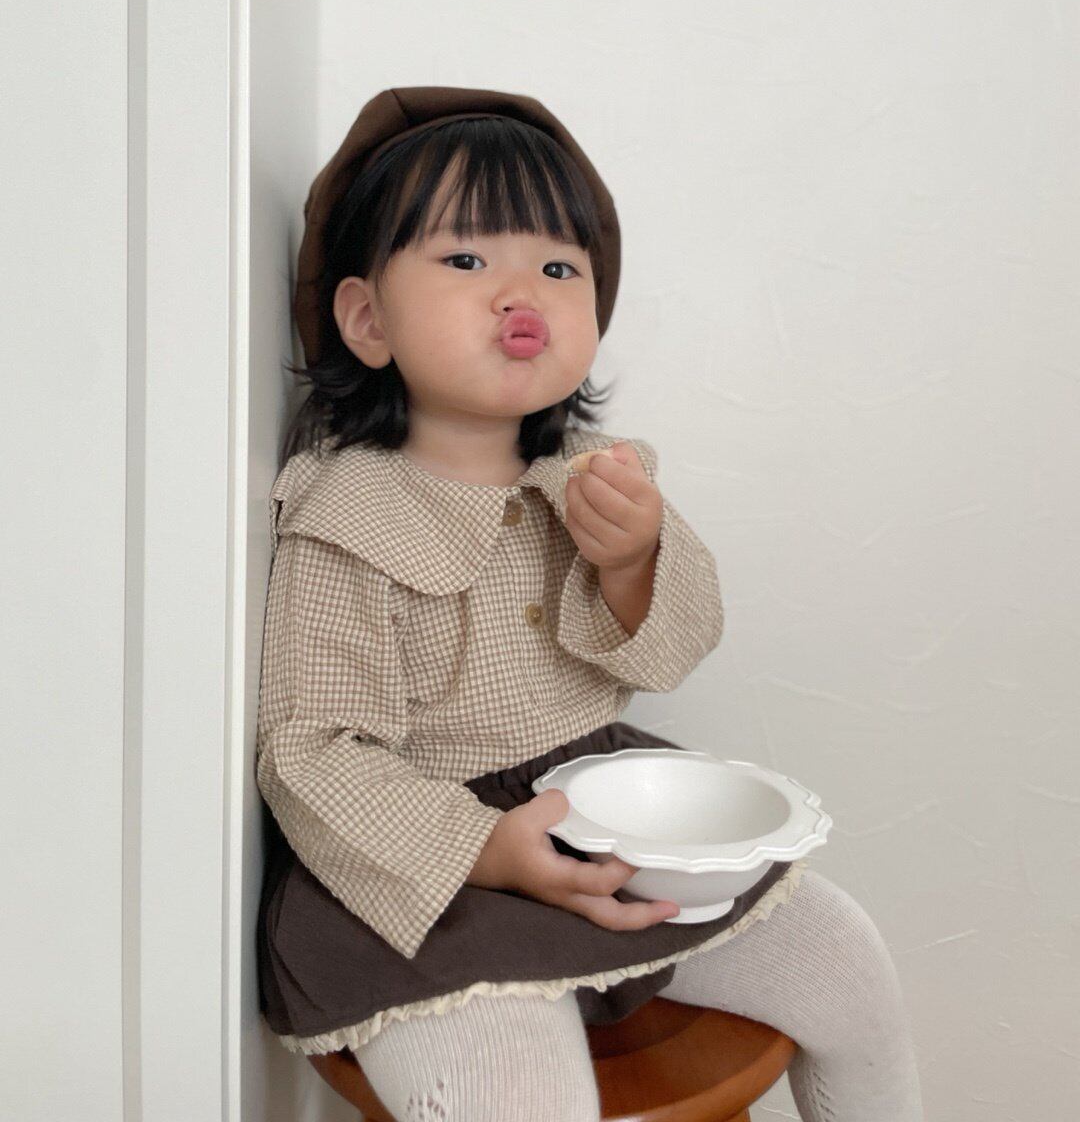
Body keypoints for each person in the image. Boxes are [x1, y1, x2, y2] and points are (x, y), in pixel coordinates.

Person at [255, 86, 924, 1121]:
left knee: (846, 956)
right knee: (519, 1092)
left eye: (559, 269)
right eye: (465, 259)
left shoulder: (596, 475)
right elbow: (314, 749)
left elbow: (677, 645)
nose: (519, 293)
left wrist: (636, 562)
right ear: (368, 320)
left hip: (609, 821)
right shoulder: (348, 514)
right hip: (434, 871)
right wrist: (484, 848)